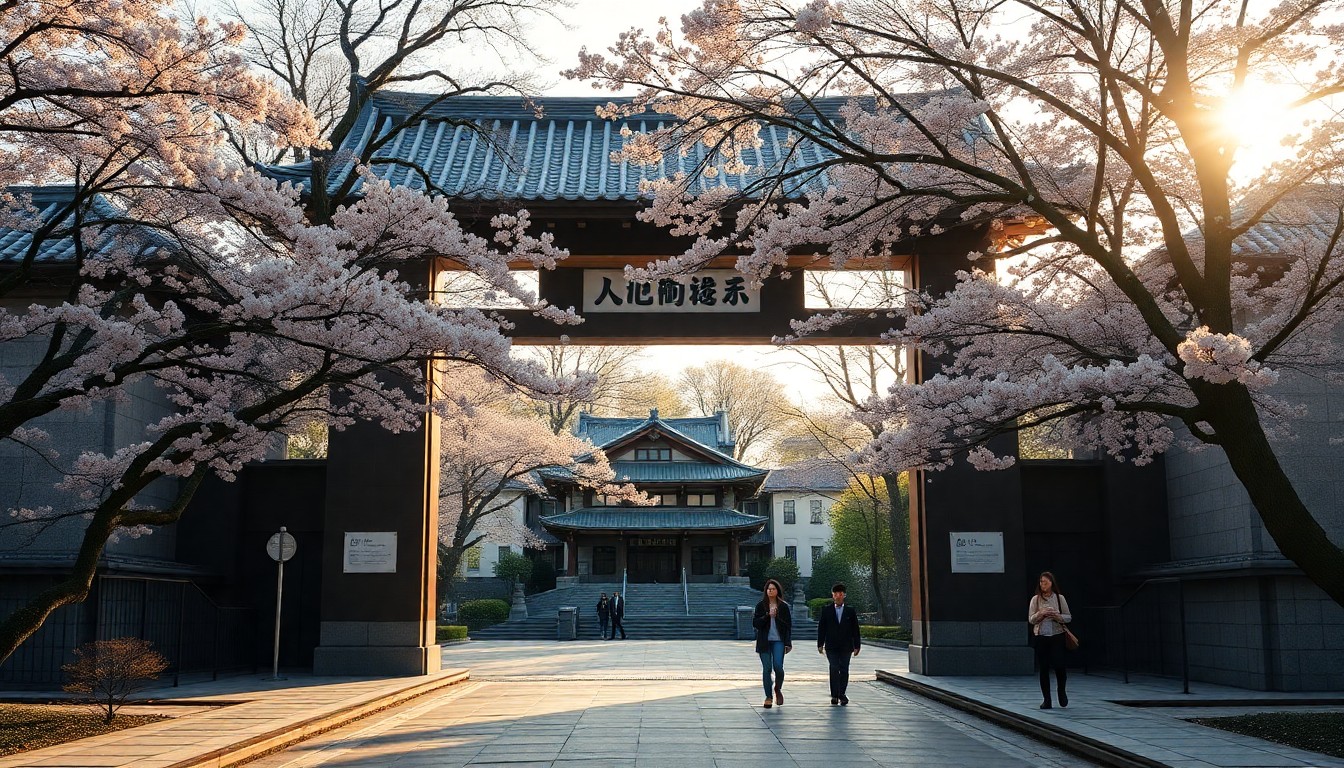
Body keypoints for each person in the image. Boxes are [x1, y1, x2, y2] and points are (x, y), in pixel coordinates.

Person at [1028, 571, 1072, 709]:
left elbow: (1068, 617)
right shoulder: (1035, 599)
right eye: (1041, 582)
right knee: (1044, 668)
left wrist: (1057, 616)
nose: (1043, 585)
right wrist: (1040, 614)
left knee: (1060, 666)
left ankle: (1061, 691)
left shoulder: (1060, 598)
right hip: (1041, 636)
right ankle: (1047, 699)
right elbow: (1031, 619)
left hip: (1057, 635)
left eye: (1045, 582)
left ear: (1052, 583)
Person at [816, 582, 861, 705]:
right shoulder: (826, 610)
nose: (838, 596)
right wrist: (820, 643)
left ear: (844, 595)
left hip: (846, 646)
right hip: (831, 646)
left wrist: (857, 645)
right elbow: (822, 628)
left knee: (844, 669)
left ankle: (842, 693)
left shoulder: (850, 611)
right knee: (834, 667)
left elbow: (855, 629)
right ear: (833, 595)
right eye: (836, 594)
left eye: (841, 594)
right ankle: (834, 694)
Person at [752, 578, 793, 708]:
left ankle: (778, 688)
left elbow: (788, 626)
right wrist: (767, 616)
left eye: (773, 589)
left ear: (777, 591)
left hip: (779, 641)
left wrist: (788, 643)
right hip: (764, 642)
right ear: (766, 591)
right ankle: (768, 697)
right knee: (767, 668)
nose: (771, 591)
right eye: (769, 589)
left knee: (778, 667)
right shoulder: (761, 605)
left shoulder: (784, 606)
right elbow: (756, 624)